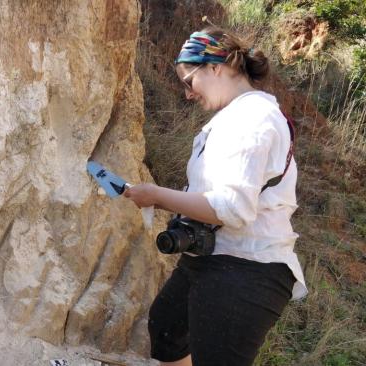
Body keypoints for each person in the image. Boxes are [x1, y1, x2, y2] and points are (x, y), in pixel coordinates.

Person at [124, 26, 307, 366]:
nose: (188, 94)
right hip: (215, 256)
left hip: (248, 268)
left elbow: (232, 208)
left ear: (216, 67)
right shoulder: (235, 117)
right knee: (167, 329)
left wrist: (156, 197)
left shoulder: (253, 118)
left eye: (188, 81)